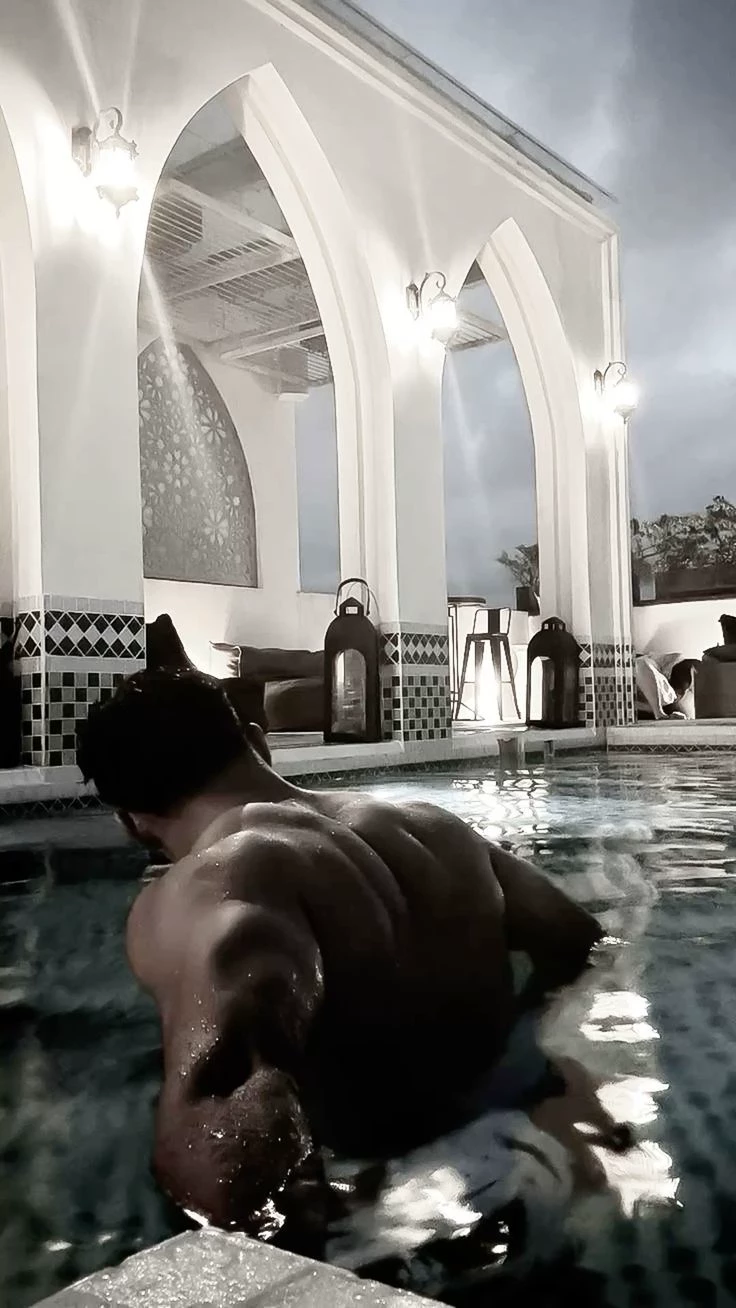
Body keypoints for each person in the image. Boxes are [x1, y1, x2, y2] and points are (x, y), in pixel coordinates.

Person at [76, 669, 605, 1237]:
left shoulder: (212, 887)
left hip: (396, 1220)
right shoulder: (433, 828)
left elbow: (225, 1100)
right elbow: (578, 939)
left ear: (131, 823)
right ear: (257, 741)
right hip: (527, 1157)